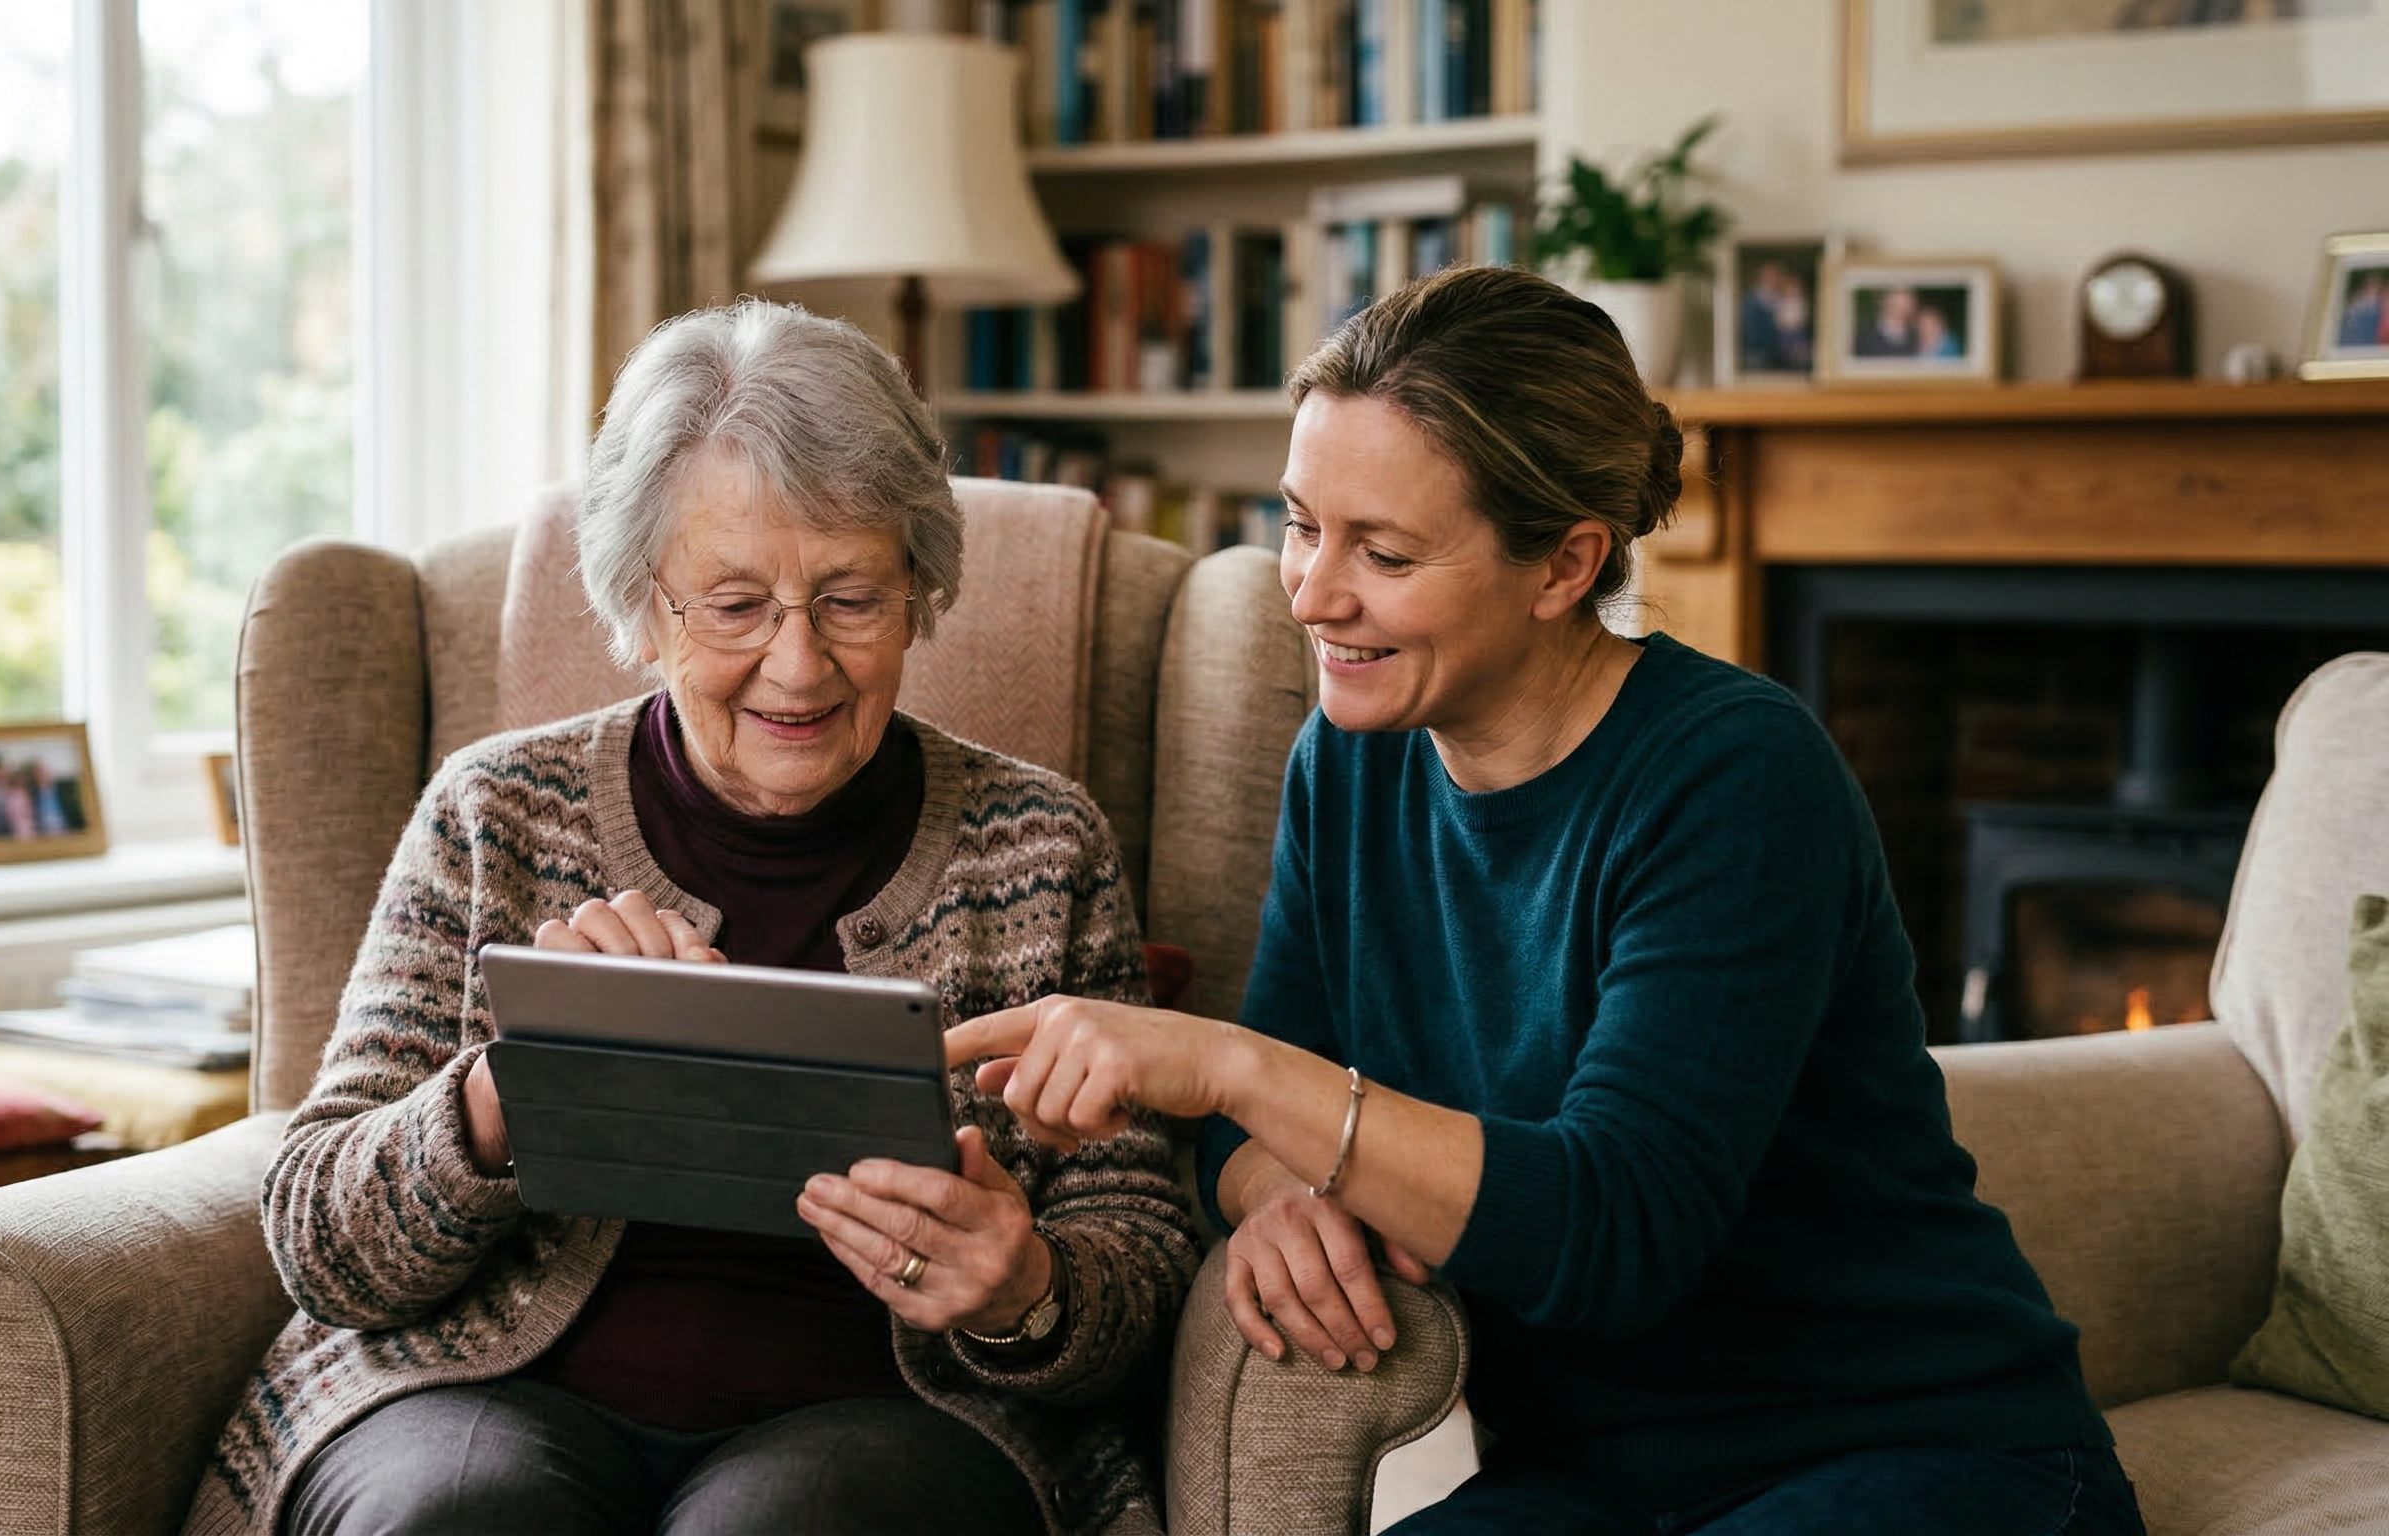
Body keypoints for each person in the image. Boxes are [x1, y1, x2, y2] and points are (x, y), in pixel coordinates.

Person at [947, 265, 2144, 1536]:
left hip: (1924, 1450)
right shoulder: (1350, 760)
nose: (1312, 592)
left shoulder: (1738, 776)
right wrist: (1277, 1200)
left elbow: (1613, 1232)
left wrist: (1235, 1070)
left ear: (1566, 563)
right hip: (1596, 1479)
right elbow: (1253, 1144)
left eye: (1385, 552)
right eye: (1301, 524)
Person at [182, 299, 1197, 1536]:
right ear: (643, 603)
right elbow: (316, 1241)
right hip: (481, 1395)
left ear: (920, 589)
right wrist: (506, 1096)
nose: (798, 665)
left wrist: (1025, 1290)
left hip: (883, 1422)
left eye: (851, 599)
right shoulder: (496, 813)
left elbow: (1143, 1254)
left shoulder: (1037, 846)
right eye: (734, 605)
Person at [1855, 282, 1918, 357]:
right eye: (1900, 293)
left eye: (1909, 295)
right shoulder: (1863, 337)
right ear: (1884, 299)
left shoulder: (1917, 337)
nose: (1907, 302)